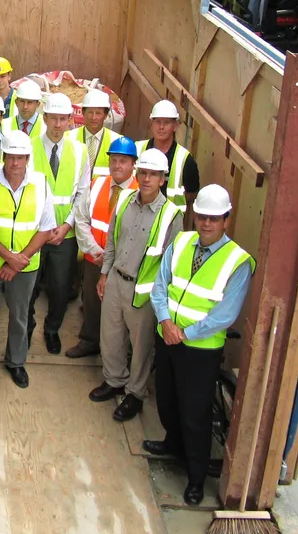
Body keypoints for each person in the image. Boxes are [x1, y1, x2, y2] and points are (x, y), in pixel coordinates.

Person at [146, 184, 254, 506]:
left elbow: (225, 314)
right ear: (195, 215)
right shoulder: (181, 242)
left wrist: (185, 333)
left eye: (214, 219)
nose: (206, 224)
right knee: (166, 399)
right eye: (202, 216)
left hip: (200, 350)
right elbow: (160, 285)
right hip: (167, 337)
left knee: (195, 414)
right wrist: (166, 323)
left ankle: (195, 477)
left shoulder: (237, 262)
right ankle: (172, 444)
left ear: (226, 221)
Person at [89, 148, 182, 422]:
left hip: (144, 292)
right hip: (116, 280)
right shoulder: (126, 199)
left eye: (154, 175)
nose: (148, 179)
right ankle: (114, 379)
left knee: (140, 347)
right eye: (144, 173)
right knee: (111, 336)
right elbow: (112, 242)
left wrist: (159, 298)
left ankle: (135, 394)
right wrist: (105, 274)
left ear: (163, 179)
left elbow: (170, 263)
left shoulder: (171, 215)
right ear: (137, 174)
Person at [0, 130, 57, 389]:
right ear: (4, 156)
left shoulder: (40, 184)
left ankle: (16, 363)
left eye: (20, 158)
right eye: (10, 157)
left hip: (25, 266)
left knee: (20, 315)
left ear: (28, 158)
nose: (15, 164)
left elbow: (45, 228)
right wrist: (10, 258)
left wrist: (21, 260)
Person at [27, 93, 90, 355]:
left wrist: (65, 226)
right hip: (32, 232)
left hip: (64, 235)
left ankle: (52, 330)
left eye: (62, 119)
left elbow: (82, 194)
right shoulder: (28, 146)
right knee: (28, 287)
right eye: (53, 118)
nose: (57, 124)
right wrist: (43, 229)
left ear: (70, 121)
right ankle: (26, 330)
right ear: (45, 118)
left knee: (61, 287)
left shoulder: (79, 151)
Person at [68, 137, 139, 360]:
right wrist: (94, 250)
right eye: (114, 160)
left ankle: (116, 353)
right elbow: (81, 218)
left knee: (117, 311)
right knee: (90, 301)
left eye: (123, 161)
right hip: (93, 258)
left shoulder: (140, 192)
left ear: (132, 164)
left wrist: (109, 259)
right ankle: (89, 340)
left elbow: (136, 235)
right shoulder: (98, 183)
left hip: (120, 264)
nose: (117, 165)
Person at [136, 99, 200, 213]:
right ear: (152, 123)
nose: (161, 127)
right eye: (158, 122)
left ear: (175, 126)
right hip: (138, 214)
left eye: (166, 123)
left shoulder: (185, 159)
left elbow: (191, 194)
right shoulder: (137, 149)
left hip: (169, 222)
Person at [74, 89, 120, 177]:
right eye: (90, 112)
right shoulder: (69, 137)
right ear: (83, 112)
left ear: (106, 115)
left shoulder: (116, 141)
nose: (94, 117)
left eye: (98, 113)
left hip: (103, 190)